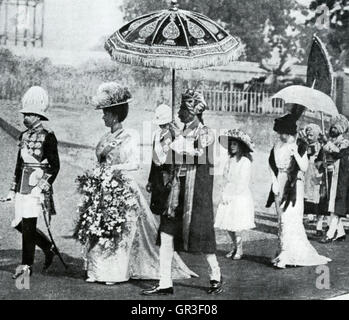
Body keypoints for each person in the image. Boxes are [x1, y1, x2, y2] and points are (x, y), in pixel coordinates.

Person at [84, 82, 197, 285]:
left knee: (119, 230)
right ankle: (98, 270)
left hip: (122, 188)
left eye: (106, 113)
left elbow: (135, 163)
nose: (103, 117)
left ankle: (115, 273)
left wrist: (114, 170)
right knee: (100, 226)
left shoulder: (131, 135)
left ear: (115, 115)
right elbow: (100, 161)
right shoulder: (104, 137)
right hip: (104, 187)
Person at [142, 89, 223, 296]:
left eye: (182, 109)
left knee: (201, 237)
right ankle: (164, 282)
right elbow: (164, 160)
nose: (178, 113)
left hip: (195, 195)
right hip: (176, 194)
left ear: (193, 111)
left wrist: (177, 152)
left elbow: (200, 159)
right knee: (167, 235)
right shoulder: (179, 134)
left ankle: (216, 275)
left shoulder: (206, 133)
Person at [2, 86, 60, 279]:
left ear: (36, 116)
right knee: (18, 223)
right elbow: (19, 165)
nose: (24, 118)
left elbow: (54, 166)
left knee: (28, 224)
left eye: (27, 114)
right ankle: (47, 246)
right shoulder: (23, 135)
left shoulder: (48, 136)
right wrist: (12, 189)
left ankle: (26, 267)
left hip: (36, 186)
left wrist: (42, 187)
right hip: (22, 185)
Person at [266, 111, 331, 269]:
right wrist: (274, 181)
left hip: (294, 185)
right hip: (280, 182)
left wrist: (296, 154)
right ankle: (283, 250)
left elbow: (304, 166)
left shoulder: (299, 146)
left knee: (290, 219)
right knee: (281, 219)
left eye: (284, 133)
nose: (281, 136)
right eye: (280, 133)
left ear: (290, 133)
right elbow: (271, 165)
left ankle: (287, 254)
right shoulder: (277, 146)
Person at [215, 129, 255, 260]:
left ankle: (240, 248)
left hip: (240, 195)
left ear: (240, 146)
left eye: (235, 144)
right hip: (229, 191)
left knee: (237, 224)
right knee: (227, 223)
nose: (232, 147)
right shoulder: (230, 160)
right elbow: (225, 176)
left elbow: (243, 182)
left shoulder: (245, 162)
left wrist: (233, 194)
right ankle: (234, 246)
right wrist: (223, 191)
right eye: (230, 144)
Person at [317, 115, 349, 243]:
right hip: (329, 175)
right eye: (332, 127)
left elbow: (338, 153)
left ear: (341, 129)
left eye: (335, 127)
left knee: (336, 204)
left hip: (341, 177)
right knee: (330, 204)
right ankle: (340, 232)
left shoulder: (345, 143)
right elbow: (320, 157)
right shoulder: (328, 141)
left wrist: (326, 142)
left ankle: (330, 234)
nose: (332, 129)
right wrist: (321, 164)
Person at [146, 104, 178, 216]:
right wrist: (150, 180)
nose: (162, 126)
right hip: (157, 175)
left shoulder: (173, 136)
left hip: (167, 175)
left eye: (165, 124)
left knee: (167, 208)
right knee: (156, 208)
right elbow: (154, 159)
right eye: (161, 124)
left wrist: (171, 178)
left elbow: (173, 159)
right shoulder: (156, 135)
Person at [301, 123, 324, 235]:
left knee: (318, 202)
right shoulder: (305, 145)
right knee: (305, 201)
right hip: (306, 175)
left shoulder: (319, 146)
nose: (309, 138)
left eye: (311, 135)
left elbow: (317, 158)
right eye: (308, 135)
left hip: (316, 175)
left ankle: (319, 226)